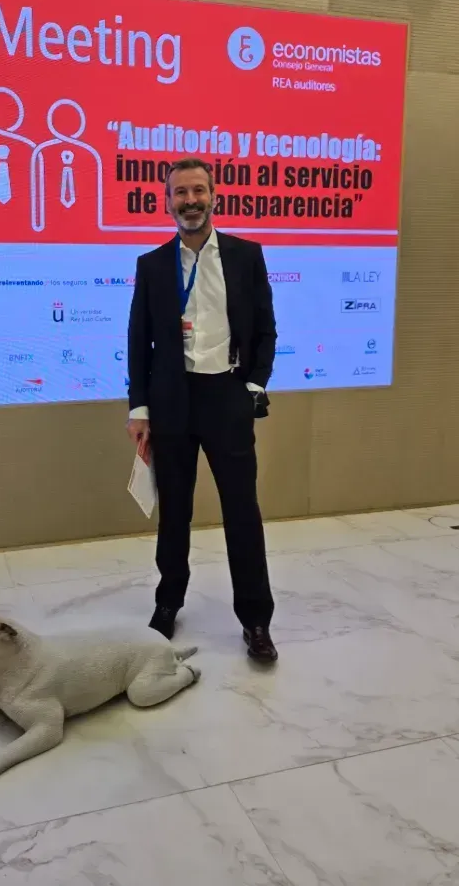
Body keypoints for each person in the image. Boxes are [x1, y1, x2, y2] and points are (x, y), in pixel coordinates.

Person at [126, 157, 278, 663]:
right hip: (172, 402)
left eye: (198, 191)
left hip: (226, 397)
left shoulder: (245, 256)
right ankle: (168, 603)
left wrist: (252, 386)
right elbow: (138, 342)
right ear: (166, 201)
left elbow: (265, 330)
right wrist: (140, 409)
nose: (190, 200)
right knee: (176, 513)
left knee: (242, 512)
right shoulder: (151, 266)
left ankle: (256, 619)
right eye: (180, 193)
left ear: (214, 196)